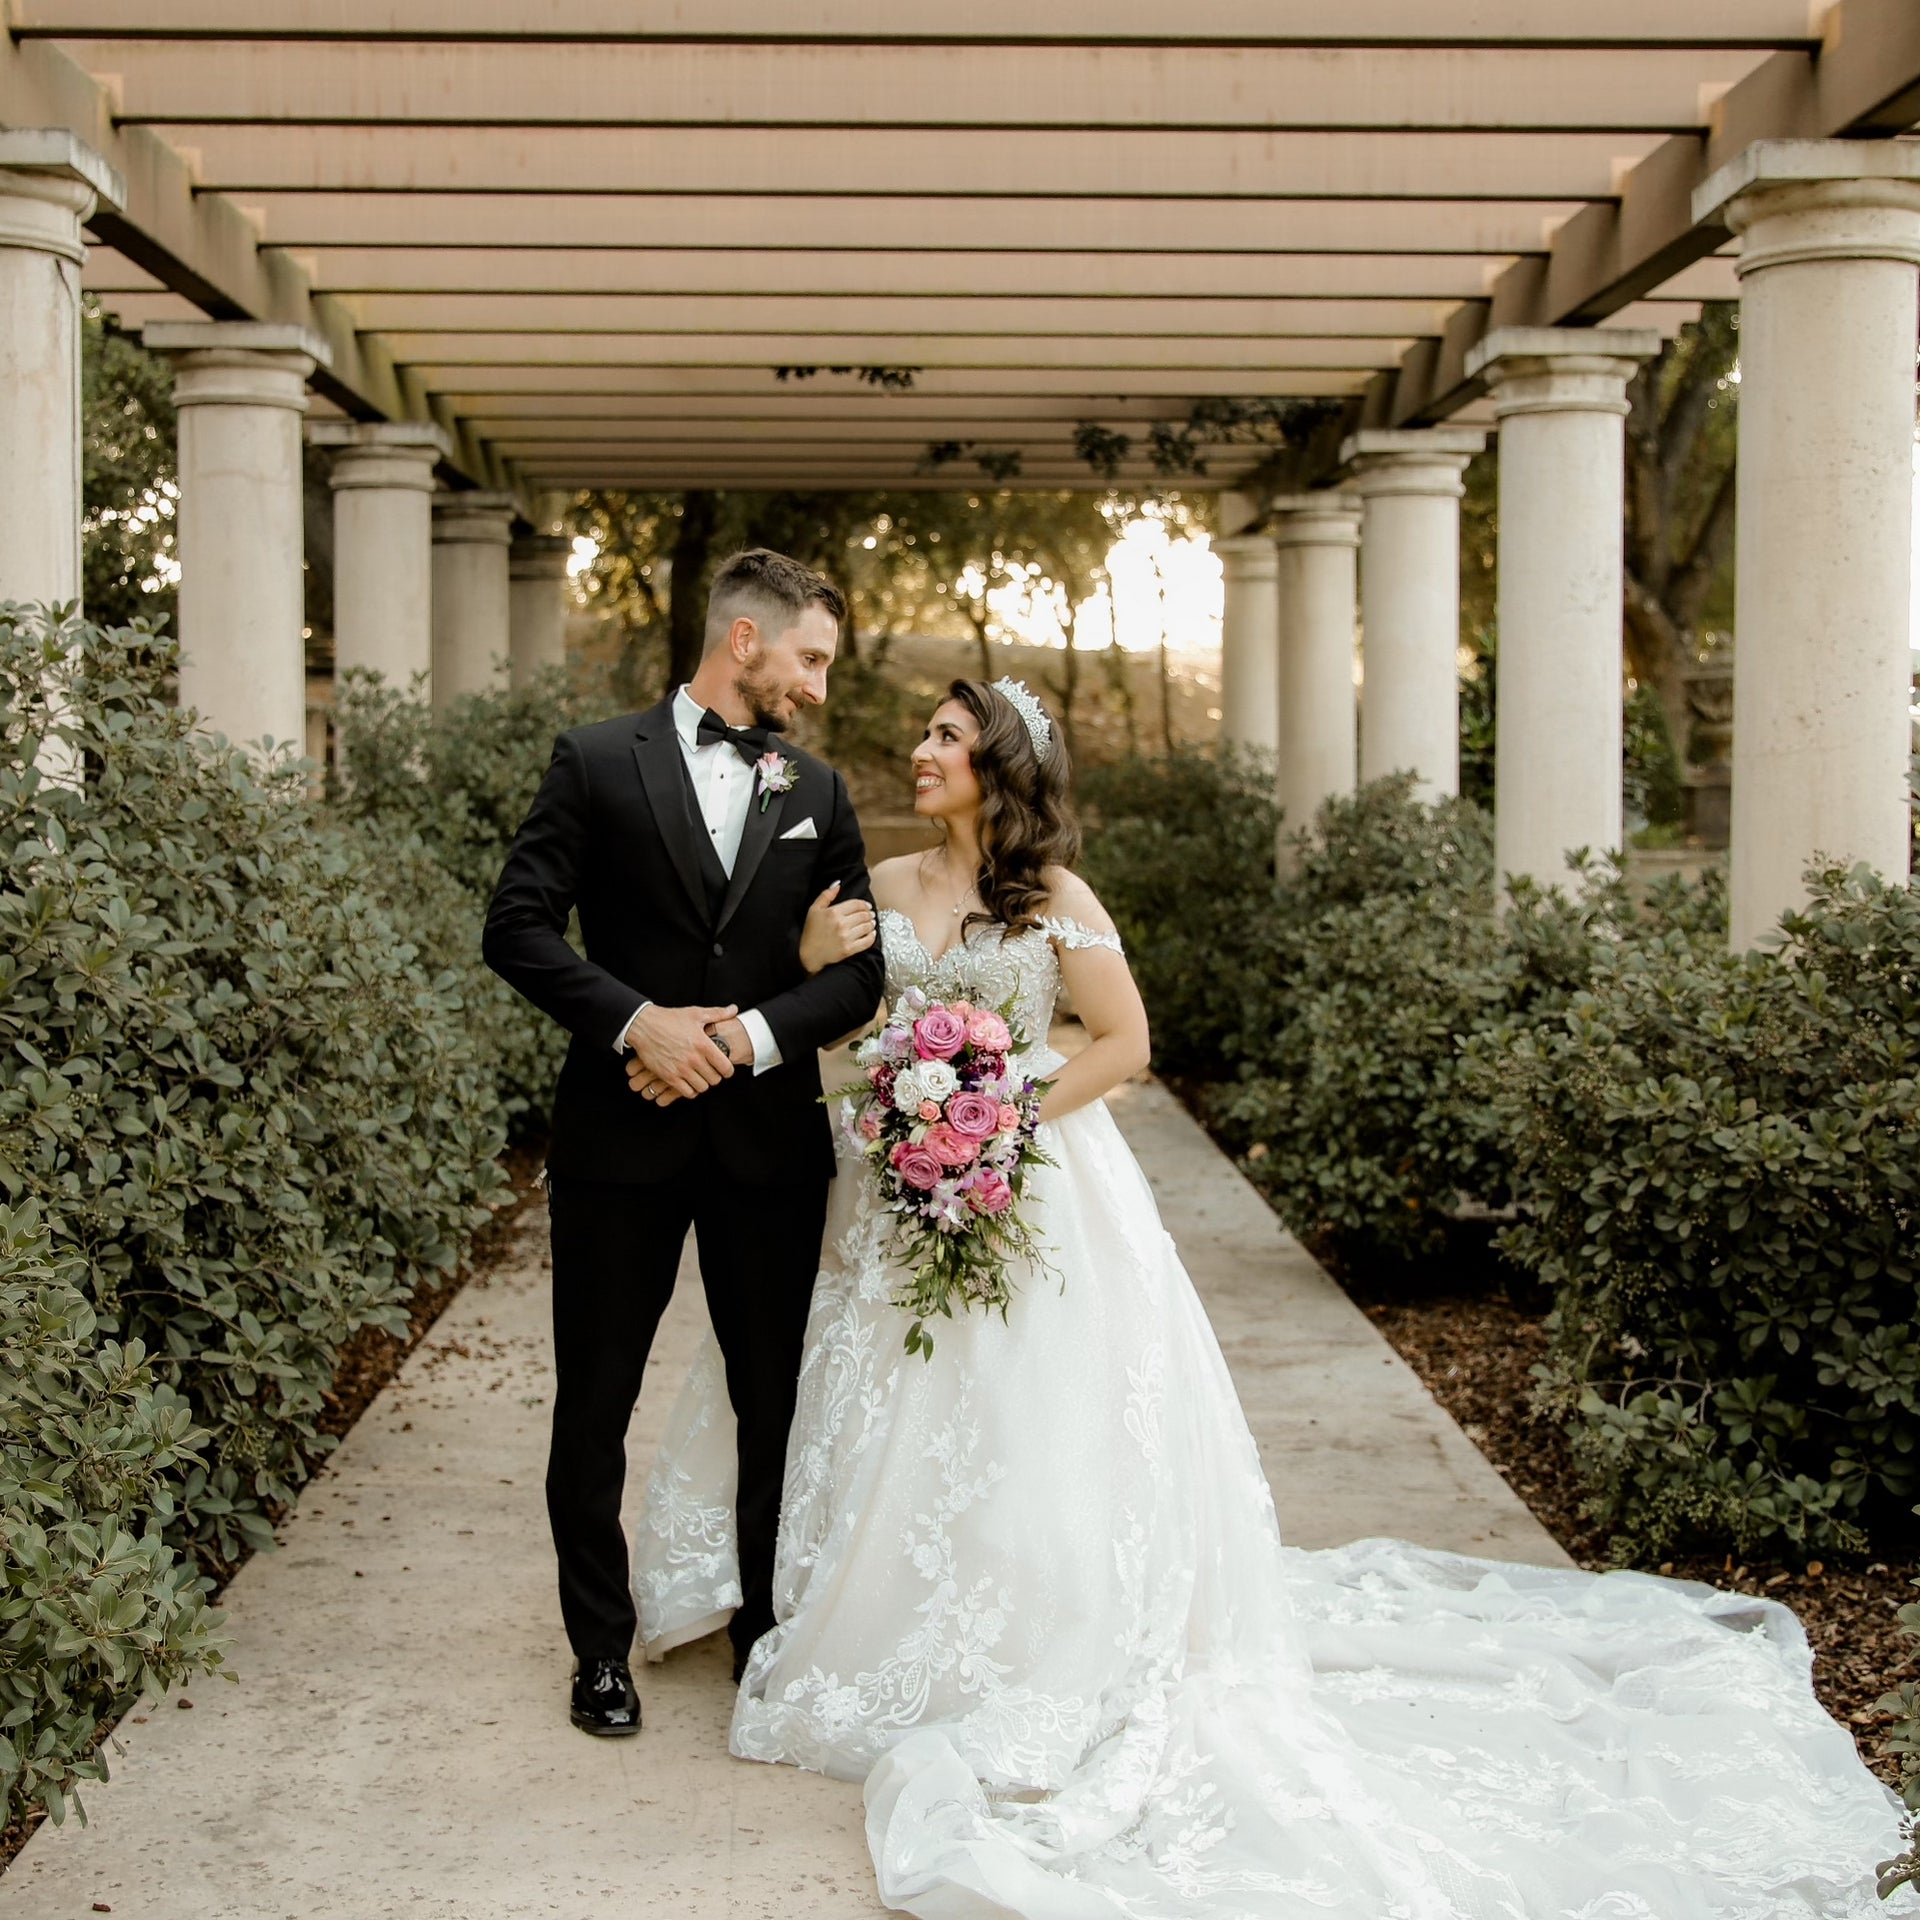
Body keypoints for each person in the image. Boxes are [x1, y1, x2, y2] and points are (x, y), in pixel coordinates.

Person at [633, 676, 1901, 1916]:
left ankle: (1025, 1629)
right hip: (896, 1182)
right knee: (877, 1395)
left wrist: (1005, 1118)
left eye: (947, 737)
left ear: (999, 772)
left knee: (1029, 1415)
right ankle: (861, 1608)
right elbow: (837, 1032)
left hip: (1034, 1174)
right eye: (925, 732)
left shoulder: (1059, 899)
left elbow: (1126, 1045)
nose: (920, 750)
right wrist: (830, 993)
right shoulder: (880, 892)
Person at [482, 548, 885, 1738]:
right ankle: (597, 1651)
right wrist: (635, 1024)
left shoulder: (817, 791)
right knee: (594, 1400)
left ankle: (763, 1629)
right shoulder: (598, 760)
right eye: (809, 657)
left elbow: (865, 969)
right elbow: (514, 925)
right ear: (745, 641)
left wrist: (750, 1032)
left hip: (766, 1144)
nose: (817, 686)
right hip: (621, 1141)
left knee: (776, 1399)